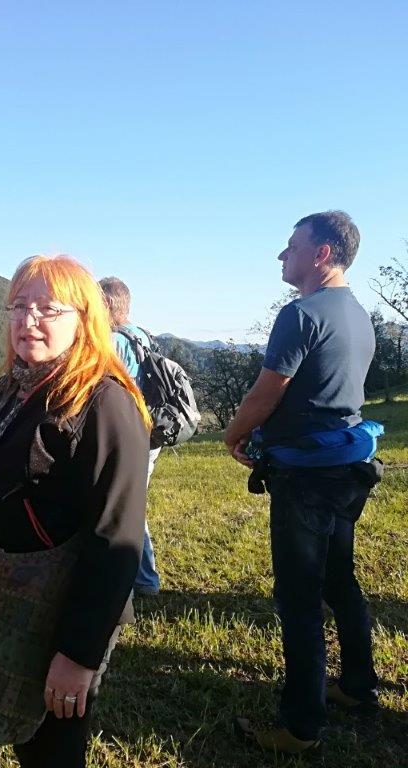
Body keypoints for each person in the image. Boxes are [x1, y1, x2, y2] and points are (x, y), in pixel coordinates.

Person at [0, 254, 151, 768]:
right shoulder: (2, 393)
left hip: (55, 610)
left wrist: (78, 655)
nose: (29, 320)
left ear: (84, 319)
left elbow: (117, 539)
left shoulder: (104, 405)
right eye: (19, 306)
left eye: (48, 308)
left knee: (47, 748)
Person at [224, 211, 381, 755]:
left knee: (299, 597)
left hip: (307, 476)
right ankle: (358, 686)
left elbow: (267, 393)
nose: (281, 254)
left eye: (291, 245)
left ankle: (300, 728)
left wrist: (233, 435)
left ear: (321, 254)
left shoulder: (301, 314)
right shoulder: (359, 314)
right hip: (347, 466)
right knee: (340, 579)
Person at [99, 276, 162, 595]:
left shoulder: (111, 341)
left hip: (127, 431)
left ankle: (141, 580)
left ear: (106, 305)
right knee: (131, 503)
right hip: (150, 429)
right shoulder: (142, 335)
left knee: (125, 507)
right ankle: (143, 579)